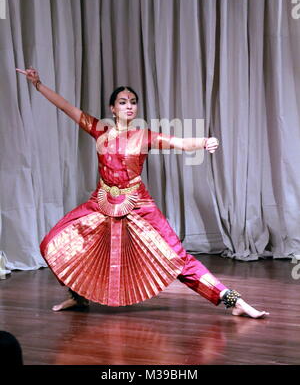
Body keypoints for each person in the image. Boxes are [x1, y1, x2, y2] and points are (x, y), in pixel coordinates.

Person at [16, 66, 269, 319]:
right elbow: (66, 107)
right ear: (112, 109)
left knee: (176, 259)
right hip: (101, 202)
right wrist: (38, 85)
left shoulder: (144, 136)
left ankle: (232, 300)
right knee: (53, 242)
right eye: (123, 102)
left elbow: (179, 143)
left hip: (138, 204)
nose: (129, 106)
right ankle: (78, 297)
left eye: (133, 102)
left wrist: (203, 142)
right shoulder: (99, 130)